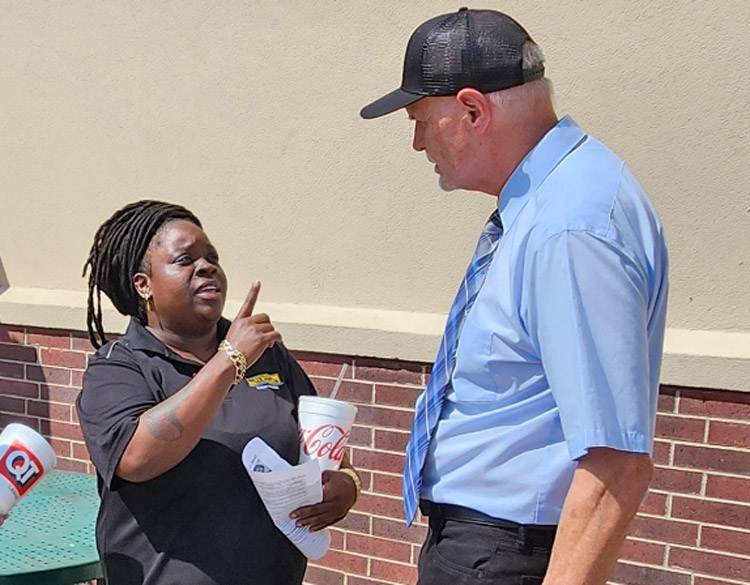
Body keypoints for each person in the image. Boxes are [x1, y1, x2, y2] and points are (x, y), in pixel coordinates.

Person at [361, 8, 668, 585]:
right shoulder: (554, 206)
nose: (416, 142)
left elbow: (617, 463)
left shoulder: (569, 225)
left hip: (507, 555)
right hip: (488, 548)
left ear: (474, 109)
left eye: (421, 118)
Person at [77, 200, 360, 585]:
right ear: (144, 286)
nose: (206, 266)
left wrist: (346, 485)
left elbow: (321, 445)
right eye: (184, 260)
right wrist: (229, 361)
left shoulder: (267, 354)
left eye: (212, 257)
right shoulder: (119, 367)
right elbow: (136, 457)